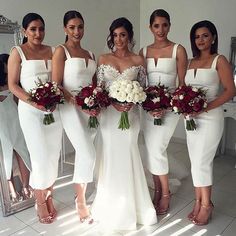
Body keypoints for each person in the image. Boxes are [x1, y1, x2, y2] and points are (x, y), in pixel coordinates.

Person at [91, 17, 157, 232]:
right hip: (109, 117)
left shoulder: (138, 60)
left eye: (123, 35)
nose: (118, 39)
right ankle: (110, 203)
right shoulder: (103, 58)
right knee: (111, 153)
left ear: (129, 36)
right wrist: (112, 102)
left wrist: (133, 99)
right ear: (111, 36)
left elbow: (145, 89)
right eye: (115, 35)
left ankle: (135, 206)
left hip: (131, 116)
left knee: (129, 151)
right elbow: (99, 90)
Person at [8, 13, 63, 224]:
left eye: (41, 28)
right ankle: (40, 203)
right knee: (39, 157)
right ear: (24, 31)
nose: (38, 33)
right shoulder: (18, 52)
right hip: (31, 111)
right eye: (33, 29)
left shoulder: (52, 51)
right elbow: (13, 85)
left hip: (52, 110)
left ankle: (49, 195)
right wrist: (34, 102)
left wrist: (53, 100)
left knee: (52, 155)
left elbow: (57, 81)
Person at [185, 20, 236, 225]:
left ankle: (207, 205)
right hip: (191, 119)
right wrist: (185, 107)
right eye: (197, 36)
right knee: (194, 162)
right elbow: (183, 90)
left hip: (210, 117)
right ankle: (198, 201)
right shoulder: (189, 62)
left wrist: (205, 107)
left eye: (205, 35)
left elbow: (231, 90)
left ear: (213, 37)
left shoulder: (219, 60)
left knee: (202, 162)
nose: (201, 40)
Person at [139, 9, 188, 215]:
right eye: (156, 26)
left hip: (169, 109)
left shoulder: (179, 50)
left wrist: (166, 105)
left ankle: (165, 193)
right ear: (150, 27)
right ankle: (158, 189)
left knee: (157, 149)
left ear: (169, 26)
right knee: (152, 150)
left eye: (165, 25)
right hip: (148, 109)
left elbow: (183, 85)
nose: (161, 30)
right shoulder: (143, 52)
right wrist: (150, 106)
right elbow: (142, 83)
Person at [52, 10, 97, 224]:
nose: (77, 31)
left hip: (91, 110)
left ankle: (80, 194)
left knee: (85, 153)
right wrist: (77, 102)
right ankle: (80, 202)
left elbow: (95, 85)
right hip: (71, 109)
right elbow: (56, 85)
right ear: (65, 29)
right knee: (88, 153)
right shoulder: (61, 51)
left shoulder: (90, 54)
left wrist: (96, 102)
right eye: (72, 27)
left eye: (80, 26)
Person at [0, 55, 32, 202]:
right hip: (2, 123)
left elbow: (20, 103)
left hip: (16, 121)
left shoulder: (15, 82)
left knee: (22, 152)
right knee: (5, 156)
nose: (12, 65)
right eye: (8, 63)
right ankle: (11, 191)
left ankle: (26, 186)